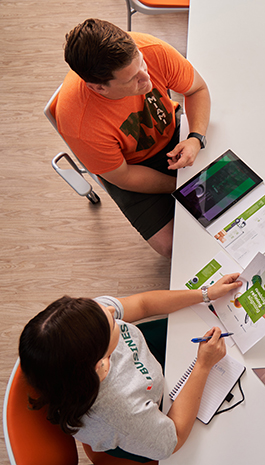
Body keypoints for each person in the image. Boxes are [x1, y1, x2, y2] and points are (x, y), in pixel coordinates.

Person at [19, 273, 241, 462]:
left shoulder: (91, 319)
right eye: (111, 324)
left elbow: (143, 304)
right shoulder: (119, 412)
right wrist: (203, 366)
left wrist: (205, 294)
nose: (110, 310)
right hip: (146, 429)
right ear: (103, 366)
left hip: (146, 363)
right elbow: (174, 438)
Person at [55, 18, 211, 258]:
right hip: (130, 168)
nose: (147, 80)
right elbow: (124, 177)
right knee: (175, 246)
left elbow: (196, 89)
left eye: (142, 65)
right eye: (132, 80)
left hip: (174, 134)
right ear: (99, 88)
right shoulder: (78, 122)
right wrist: (180, 186)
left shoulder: (151, 50)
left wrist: (195, 137)